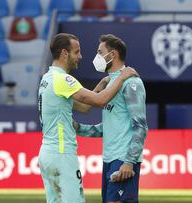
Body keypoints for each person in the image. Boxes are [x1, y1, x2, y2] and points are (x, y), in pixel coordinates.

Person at [38, 33, 139, 203]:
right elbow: (100, 101)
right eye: (76, 52)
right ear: (64, 53)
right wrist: (121, 77)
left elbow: (84, 107)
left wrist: (100, 85)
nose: (80, 57)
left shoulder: (47, 79)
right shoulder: (63, 79)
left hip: (47, 153)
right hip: (62, 153)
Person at [75, 34, 148, 203]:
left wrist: (129, 162)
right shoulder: (109, 83)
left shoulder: (131, 82)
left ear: (112, 55)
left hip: (123, 161)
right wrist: (77, 127)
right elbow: (107, 127)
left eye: (100, 52)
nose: (97, 57)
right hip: (109, 160)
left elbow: (140, 126)